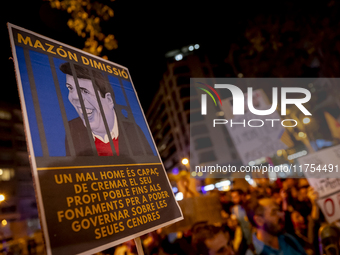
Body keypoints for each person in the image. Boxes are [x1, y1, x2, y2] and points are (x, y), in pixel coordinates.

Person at [59, 62, 153, 157]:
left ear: (108, 99)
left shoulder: (133, 131)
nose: (74, 97)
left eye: (84, 91)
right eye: (70, 88)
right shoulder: (73, 129)